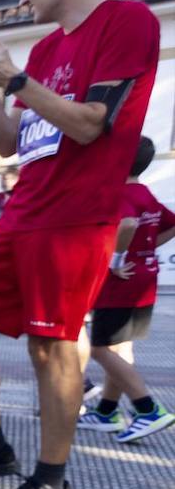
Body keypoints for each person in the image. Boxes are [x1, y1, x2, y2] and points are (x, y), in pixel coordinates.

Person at [0, 0, 160, 489]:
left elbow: (89, 123)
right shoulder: (44, 51)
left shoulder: (128, 21)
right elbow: (9, 143)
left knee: (51, 345)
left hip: (77, 217)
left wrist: (11, 79)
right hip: (23, 212)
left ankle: (52, 483)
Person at [75, 136, 175, 442]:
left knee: (100, 348)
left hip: (120, 284)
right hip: (144, 279)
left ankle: (148, 409)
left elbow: (128, 224)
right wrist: (143, 251)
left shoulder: (119, 192)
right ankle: (107, 411)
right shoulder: (145, 192)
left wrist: (116, 259)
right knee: (119, 346)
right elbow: (170, 224)